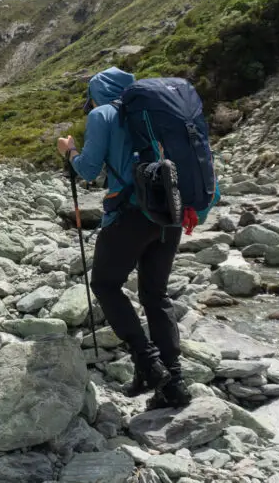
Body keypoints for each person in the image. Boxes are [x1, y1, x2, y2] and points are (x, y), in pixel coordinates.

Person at [57, 67, 192, 409]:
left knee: (105, 284)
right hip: (170, 213)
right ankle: (172, 382)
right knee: (154, 293)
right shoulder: (157, 111)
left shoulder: (103, 114)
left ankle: (149, 362)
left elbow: (88, 170)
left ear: (97, 93)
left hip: (130, 214)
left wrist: (69, 151)